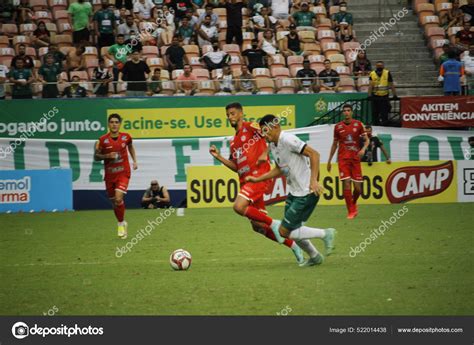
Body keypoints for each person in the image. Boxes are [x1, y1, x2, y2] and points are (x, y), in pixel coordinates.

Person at [209, 102, 305, 264]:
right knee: (258, 225)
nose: (230, 117)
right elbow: (236, 167)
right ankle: (294, 246)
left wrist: (265, 153)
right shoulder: (234, 142)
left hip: (259, 176)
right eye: (227, 115)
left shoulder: (251, 127)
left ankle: (274, 223)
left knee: (239, 207)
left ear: (241, 114)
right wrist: (219, 157)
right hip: (246, 181)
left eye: (232, 113)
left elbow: (272, 135)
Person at [245, 114, 336, 266]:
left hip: (306, 192)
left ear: (276, 127)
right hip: (294, 192)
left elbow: (314, 154)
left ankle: (326, 233)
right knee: (292, 231)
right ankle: (315, 257)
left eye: (266, 130)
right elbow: (280, 169)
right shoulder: (274, 146)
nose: (264, 134)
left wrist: (313, 181)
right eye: (263, 131)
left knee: (284, 232)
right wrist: (258, 179)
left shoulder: (288, 139)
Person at [94, 113, 138, 239]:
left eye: (116, 122)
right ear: (108, 124)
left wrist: (135, 161)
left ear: (120, 124)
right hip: (110, 175)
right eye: (112, 122)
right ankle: (122, 221)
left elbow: (130, 147)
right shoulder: (102, 140)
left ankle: (120, 225)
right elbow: (96, 156)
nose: (114, 124)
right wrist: (107, 156)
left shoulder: (126, 137)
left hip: (123, 172)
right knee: (114, 202)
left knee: (118, 199)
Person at [327, 104, 369, 219]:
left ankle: (353, 203)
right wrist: (329, 160)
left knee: (358, 189)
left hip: (355, 160)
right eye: (344, 111)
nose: (346, 112)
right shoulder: (338, 127)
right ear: (342, 113)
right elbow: (334, 144)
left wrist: (363, 149)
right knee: (346, 183)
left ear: (352, 112)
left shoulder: (358, 124)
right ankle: (350, 211)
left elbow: (366, 140)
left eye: (348, 110)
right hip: (343, 159)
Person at [368, 61, 398, 126]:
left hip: (384, 96)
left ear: (383, 66)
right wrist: (369, 95)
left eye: (381, 66)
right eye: (378, 66)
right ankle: (376, 126)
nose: (379, 67)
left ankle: (385, 126)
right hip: (375, 96)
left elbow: (391, 84)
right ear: (376, 66)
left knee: (384, 113)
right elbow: (370, 85)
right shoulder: (372, 73)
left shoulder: (387, 73)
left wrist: (394, 95)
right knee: (375, 113)